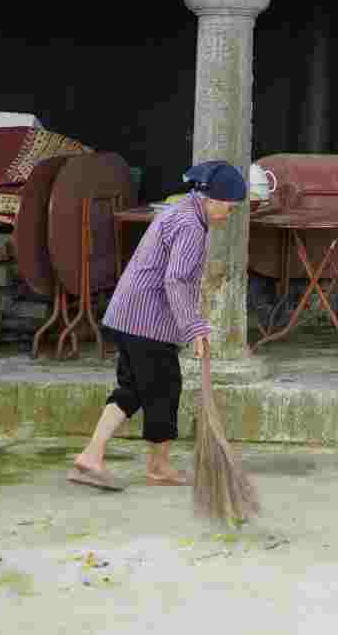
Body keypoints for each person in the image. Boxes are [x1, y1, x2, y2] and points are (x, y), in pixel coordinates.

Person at [68, 160, 247, 492]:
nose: (229, 215)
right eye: (230, 208)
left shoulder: (180, 209)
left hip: (128, 314)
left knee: (133, 389)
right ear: (213, 199)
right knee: (164, 389)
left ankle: (91, 456)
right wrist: (194, 327)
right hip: (147, 321)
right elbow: (176, 280)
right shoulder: (191, 225)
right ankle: (158, 467)